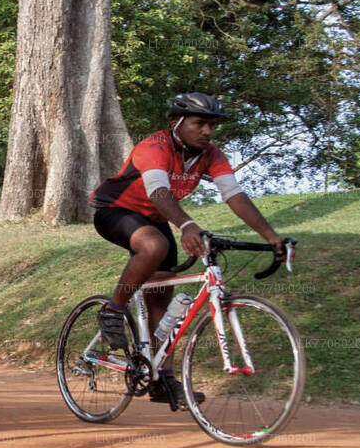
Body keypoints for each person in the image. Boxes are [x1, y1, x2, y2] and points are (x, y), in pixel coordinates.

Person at [89, 92, 288, 409]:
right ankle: (113, 310)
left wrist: (272, 236)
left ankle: (162, 378)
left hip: (157, 219)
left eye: (212, 125)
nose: (208, 131)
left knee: (161, 303)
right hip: (116, 210)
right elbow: (158, 191)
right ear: (177, 123)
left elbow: (234, 195)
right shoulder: (154, 146)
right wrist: (187, 225)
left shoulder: (211, 154)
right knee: (154, 245)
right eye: (200, 123)